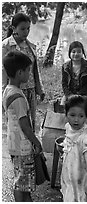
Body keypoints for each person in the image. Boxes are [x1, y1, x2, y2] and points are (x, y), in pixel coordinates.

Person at [2, 51, 43, 202]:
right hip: (22, 146)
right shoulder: (18, 97)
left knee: (22, 179)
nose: (29, 74)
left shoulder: (8, 90)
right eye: (27, 71)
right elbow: (24, 124)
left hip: (14, 144)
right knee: (21, 183)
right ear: (20, 73)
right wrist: (36, 142)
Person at [2, 12, 45, 131]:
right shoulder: (6, 46)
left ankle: (31, 146)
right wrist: (3, 93)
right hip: (16, 89)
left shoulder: (30, 46)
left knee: (31, 121)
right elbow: (3, 71)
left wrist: (39, 89)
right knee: (17, 123)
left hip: (30, 89)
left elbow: (35, 69)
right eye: (22, 29)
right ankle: (17, 147)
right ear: (13, 28)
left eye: (28, 29)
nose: (26, 32)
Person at [61, 95, 87, 202]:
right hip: (69, 178)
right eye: (72, 115)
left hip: (81, 182)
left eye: (81, 116)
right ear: (66, 115)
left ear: (86, 116)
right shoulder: (69, 128)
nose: (76, 120)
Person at [61, 41, 87, 105]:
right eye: (73, 52)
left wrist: (78, 96)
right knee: (63, 105)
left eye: (79, 52)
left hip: (85, 94)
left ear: (82, 53)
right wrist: (69, 95)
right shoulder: (65, 66)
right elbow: (64, 83)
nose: (76, 54)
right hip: (70, 94)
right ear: (69, 53)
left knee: (83, 107)